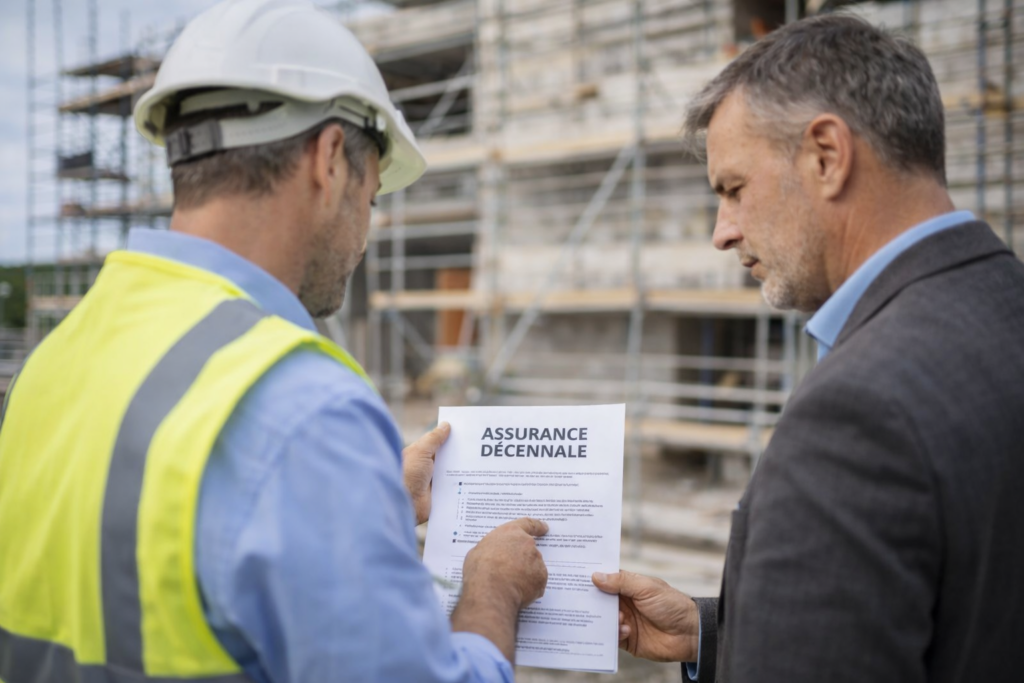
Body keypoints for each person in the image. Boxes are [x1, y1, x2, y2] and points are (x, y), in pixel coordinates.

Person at [0, 1, 548, 682]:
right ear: (328, 161)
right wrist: (491, 589)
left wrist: (353, 499)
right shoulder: (303, 406)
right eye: (371, 198)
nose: (364, 232)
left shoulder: (51, 361)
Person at [592, 13, 1024, 683]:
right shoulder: (1002, 302)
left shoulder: (856, 414)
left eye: (734, 190)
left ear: (826, 154)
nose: (722, 232)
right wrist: (712, 633)